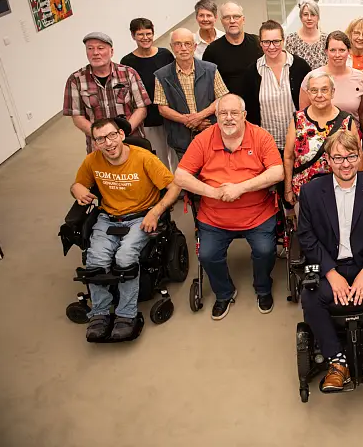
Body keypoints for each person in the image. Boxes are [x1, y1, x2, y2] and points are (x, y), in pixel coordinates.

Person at [297, 130, 363, 391]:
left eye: (351, 156)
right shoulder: (310, 192)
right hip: (330, 264)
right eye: (338, 158)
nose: (345, 164)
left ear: (360, 158)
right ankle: (337, 361)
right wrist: (331, 273)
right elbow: (306, 237)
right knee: (311, 297)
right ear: (328, 161)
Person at [174, 94, 285, 320]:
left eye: (234, 113)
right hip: (214, 218)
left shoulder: (261, 137)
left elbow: (277, 172)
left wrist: (240, 188)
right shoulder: (204, 139)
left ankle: (263, 287)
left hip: (257, 215)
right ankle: (224, 293)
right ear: (216, 116)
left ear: (244, 115)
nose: (228, 118)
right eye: (223, 113)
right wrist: (214, 192)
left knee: (265, 250)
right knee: (207, 255)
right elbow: (181, 175)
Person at [71, 118, 180, 340]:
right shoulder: (92, 161)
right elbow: (77, 184)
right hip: (108, 219)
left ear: (121, 134)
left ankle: (126, 314)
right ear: (95, 143)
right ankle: (100, 313)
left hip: (140, 217)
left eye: (111, 136)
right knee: (96, 261)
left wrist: (155, 211)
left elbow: (174, 187)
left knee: (125, 257)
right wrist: (78, 189)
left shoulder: (144, 158)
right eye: (100, 139)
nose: (108, 143)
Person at [64, 32, 151, 153]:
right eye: (90, 48)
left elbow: (141, 108)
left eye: (100, 48)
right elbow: (77, 116)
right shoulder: (76, 80)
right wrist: (101, 137)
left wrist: (122, 134)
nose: (95, 53)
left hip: (132, 141)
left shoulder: (128, 73)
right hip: (99, 146)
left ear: (112, 51)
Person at [284, 72, 361, 207]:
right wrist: (288, 189)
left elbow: (357, 156)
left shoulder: (346, 121)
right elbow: (288, 157)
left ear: (332, 92)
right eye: (314, 90)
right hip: (304, 192)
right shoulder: (298, 119)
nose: (319, 95)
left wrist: (358, 190)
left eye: (324, 90)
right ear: (308, 93)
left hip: (339, 191)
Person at [154, 28, 229, 159]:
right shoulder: (161, 75)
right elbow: (162, 109)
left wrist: (199, 116)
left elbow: (222, 98)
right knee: (187, 177)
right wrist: (189, 121)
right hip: (181, 140)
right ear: (172, 47)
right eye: (178, 44)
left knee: (214, 176)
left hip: (211, 135)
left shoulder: (211, 69)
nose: (183, 48)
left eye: (187, 43)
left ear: (194, 46)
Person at [240, 20, 311, 146]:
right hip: (266, 144)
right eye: (266, 42)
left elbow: (310, 105)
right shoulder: (252, 72)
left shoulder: (300, 67)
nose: (271, 47)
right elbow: (249, 112)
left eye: (276, 41)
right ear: (260, 43)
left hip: (299, 141)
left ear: (283, 41)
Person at [119, 18, 175, 168]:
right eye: (140, 34)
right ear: (133, 36)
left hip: (171, 114)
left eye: (148, 33)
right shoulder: (127, 61)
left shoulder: (165, 55)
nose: (145, 38)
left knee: (176, 155)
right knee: (159, 158)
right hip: (149, 120)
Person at [299, 31, 363, 123]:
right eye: (332, 50)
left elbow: (362, 112)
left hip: (352, 134)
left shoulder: (360, 78)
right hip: (320, 135)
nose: (337, 55)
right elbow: (303, 115)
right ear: (326, 51)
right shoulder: (312, 78)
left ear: (349, 51)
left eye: (342, 50)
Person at [201, 2, 263, 97]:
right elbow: (207, 86)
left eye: (236, 17)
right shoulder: (212, 51)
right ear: (222, 21)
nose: (232, 21)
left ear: (243, 20)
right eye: (227, 17)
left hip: (259, 107)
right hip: (229, 109)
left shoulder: (258, 43)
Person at [285, 0, 328, 69]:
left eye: (313, 14)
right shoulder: (291, 39)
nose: (309, 18)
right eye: (305, 14)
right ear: (301, 17)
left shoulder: (326, 39)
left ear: (318, 17)